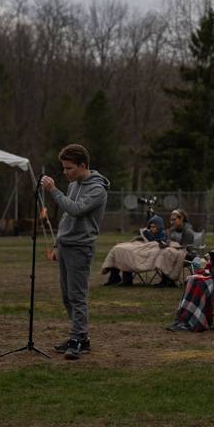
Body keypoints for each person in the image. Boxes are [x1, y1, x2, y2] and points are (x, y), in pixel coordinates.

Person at [41, 144, 109, 360]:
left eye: (69, 168)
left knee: (77, 297)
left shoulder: (97, 189)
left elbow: (76, 210)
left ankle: (77, 339)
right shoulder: (74, 184)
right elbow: (66, 217)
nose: (65, 172)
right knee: (67, 297)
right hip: (65, 244)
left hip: (80, 247)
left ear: (83, 165)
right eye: (63, 168)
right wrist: (56, 244)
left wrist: (53, 190)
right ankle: (81, 337)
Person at [102, 215, 168, 286]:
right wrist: (140, 237)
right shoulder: (149, 233)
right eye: (150, 227)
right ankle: (113, 276)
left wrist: (148, 236)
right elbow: (142, 240)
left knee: (126, 253)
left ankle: (125, 279)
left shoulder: (162, 235)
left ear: (159, 227)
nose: (151, 229)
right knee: (118, 249)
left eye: (154, 227)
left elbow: (157, 243)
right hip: (139, 246)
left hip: (145, 251)